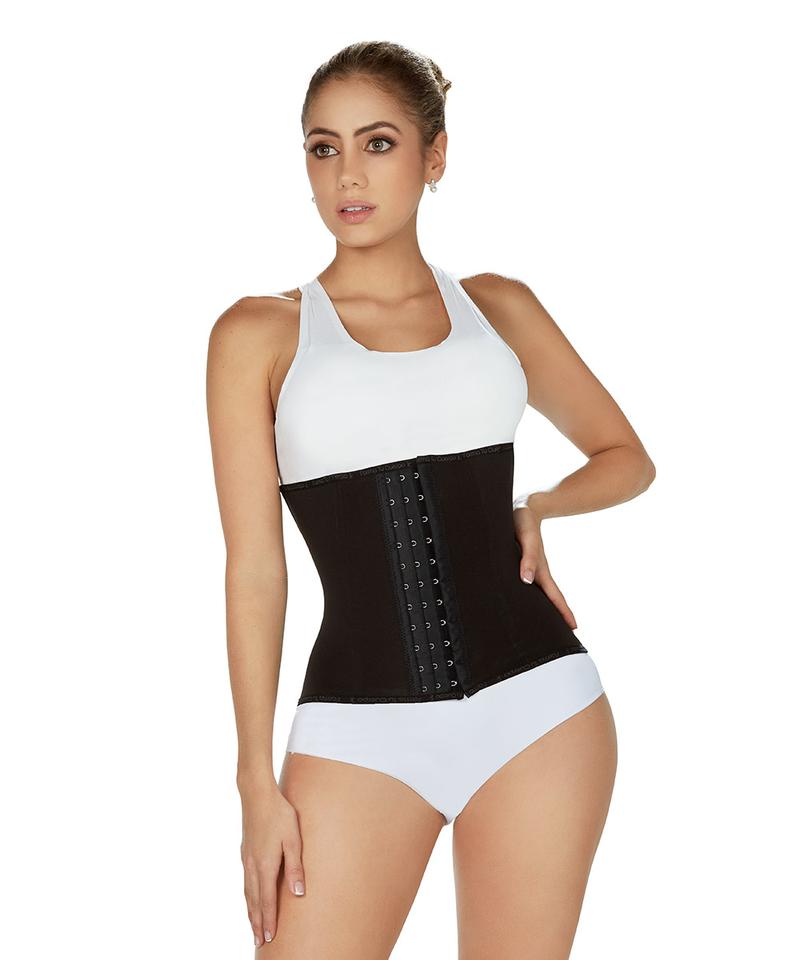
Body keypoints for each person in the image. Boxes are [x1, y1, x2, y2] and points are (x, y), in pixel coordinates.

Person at [206, 40, 655, 957]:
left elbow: (626, 458)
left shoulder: (500, 308)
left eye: (378, 143)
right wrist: (255, 778)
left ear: (435, 155)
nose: (348, 174)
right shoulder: (259, 334)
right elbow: (255, 568)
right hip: (358, 731)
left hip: (542, 709)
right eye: (323, 148)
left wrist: (538, 507)